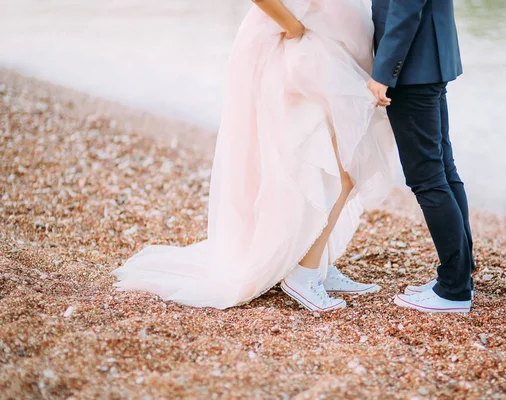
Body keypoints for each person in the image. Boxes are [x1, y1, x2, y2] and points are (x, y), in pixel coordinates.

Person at [112, 0, 402, 312]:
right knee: (331, 160)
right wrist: (294, 28)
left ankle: (315, 264)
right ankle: (304, 276)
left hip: (334, 45)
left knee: (335, 160)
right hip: (303, 48)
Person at [368, 0, 475, 313]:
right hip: (430, 59)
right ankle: (459, 275)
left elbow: (405, 7)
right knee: (443, 168)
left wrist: (384, 71)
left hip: (413, 66)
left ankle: (454, 290)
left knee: (427, 178)